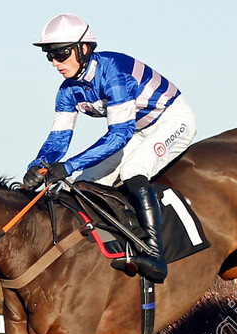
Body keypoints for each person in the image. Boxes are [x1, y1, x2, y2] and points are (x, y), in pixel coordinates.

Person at [22, 13, 197, 283]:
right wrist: (39, 165)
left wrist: (67, 166)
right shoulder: (68, 91)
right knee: (83, 182)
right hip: (137, 131)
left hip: (172, 120)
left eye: (60, 54)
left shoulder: (114, 71)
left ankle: (154, 253)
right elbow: (59, 138)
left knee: (133, 169)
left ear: (83, 49)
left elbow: (119, 135)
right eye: (50, 56)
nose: (55, 63)